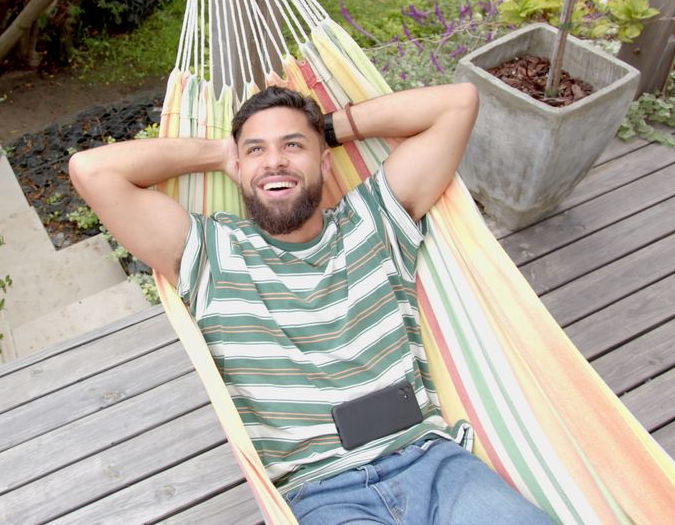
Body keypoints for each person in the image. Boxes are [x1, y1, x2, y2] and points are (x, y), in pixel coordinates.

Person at [69, 84, 553, 524]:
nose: (274, 162)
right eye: (256, 150)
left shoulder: (374, 219)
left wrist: (327, 129)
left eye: (293, 146)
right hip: (321, 494)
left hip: (434, 464)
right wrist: (221, 152)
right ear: (239, 169)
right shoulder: (210, 254)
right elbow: (91, 170)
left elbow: (458, 103)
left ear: (324, 163)